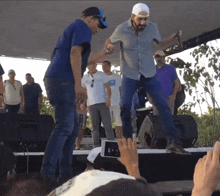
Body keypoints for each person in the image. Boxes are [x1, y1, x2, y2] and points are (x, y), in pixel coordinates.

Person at [41, 7, 114, 182]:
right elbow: (75, 53)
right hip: (63, 79)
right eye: (98, 23)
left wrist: (105, 52)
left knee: (72, 128)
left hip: (57, 79)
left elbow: (85, 59)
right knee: (65, 126)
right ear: (90, 18)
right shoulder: (82, 27)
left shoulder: (75, 28)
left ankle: (65, 173)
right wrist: (77, 84)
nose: (97, 29)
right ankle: (47, 174)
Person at [105, 3, 189, 154]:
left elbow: (159, 42)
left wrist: (171, 39)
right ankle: (128, 142)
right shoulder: (122, 29)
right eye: (140, 19)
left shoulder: (152, 27)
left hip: (148, 74)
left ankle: (173, 142)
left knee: (162, 105)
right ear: (133, 17)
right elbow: (109, 41)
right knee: (124, 106)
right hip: (130, 74)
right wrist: (109, 47)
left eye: (145, 19)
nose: (143, 23)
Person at [48, 135, 162, 196]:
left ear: (103, 171)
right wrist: (133, 169)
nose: (85, 171)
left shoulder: (83, 183)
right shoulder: (90, 184)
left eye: (89, 168)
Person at [82, 63, 114, 148]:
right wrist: (84, 103)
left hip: (102, 103)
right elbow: (84, 92)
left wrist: (108, 99)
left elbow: (108, 88)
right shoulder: (85, 77)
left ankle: (111, 144)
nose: (91, 67)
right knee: (95, 126)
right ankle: (96, 145)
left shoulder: (101, 74)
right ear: (87, 66)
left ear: (96, 65)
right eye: (89, 65)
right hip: (91, 104)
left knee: (107, 125)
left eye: (93, 65)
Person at [148, 50, 180, 115]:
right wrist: (149, 97)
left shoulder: (170, 69)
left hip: (168, 99)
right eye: (157, 57)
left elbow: (177, 83)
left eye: (160, 57)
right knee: (158, 121)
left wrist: (173, 95)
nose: (158, 59)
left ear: (164, 57)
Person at [102, 60, 123, 138]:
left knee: (119, 122)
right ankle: (108, 138)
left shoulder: (117, 77)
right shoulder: (101, 77)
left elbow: (121, 89)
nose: (104, 68)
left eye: (105, 65)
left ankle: (119, 138)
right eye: (102, 66)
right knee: (107, 123)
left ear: (110, 66)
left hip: (117, 103)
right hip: (106, 104)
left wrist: (121, 100)